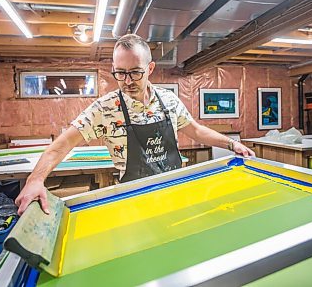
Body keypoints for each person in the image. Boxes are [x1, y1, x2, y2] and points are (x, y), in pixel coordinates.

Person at [15, 34, 255, 215]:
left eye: (135, 72)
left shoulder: (169, 101)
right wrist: (35, 180)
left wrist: (232, 144)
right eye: (120, 73)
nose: (127, 81)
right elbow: (62, 145)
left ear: (150, 68)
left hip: (176, 191)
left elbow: (195, 130)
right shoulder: (105, 108)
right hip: (134, 199)